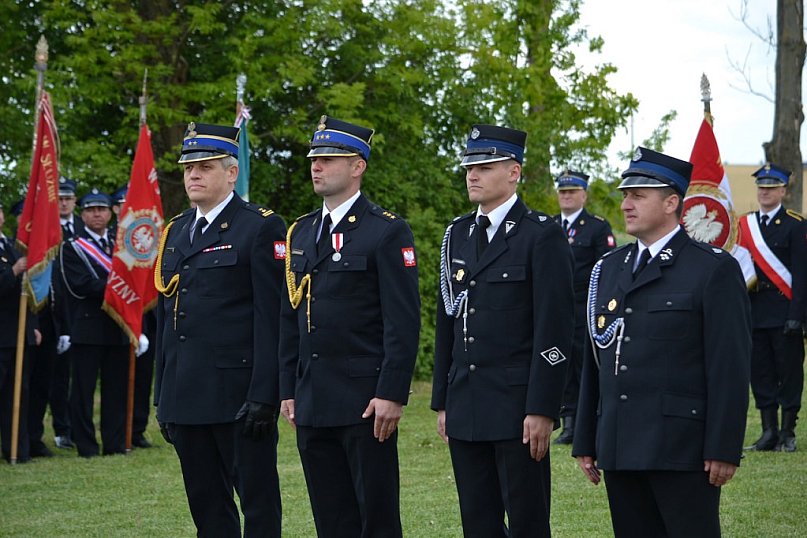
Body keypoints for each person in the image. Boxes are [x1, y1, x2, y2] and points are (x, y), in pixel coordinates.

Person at [572, 147, 752, 537]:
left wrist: (723, 447)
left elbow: (729, 367)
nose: (626, 204)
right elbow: (595, 359)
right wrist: (586, 437)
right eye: (625, 195)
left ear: (671, 203)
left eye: (638, 195)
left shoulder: (712, 269)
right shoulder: (609, 268)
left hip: (680, 447)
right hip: (620, 443)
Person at [279, 115, 420, 538]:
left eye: (328, 159)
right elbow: (291, 317)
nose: (316, 166)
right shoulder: (302, 232)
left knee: (376, 519)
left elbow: (402, 321)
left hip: (365, 402)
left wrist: (391, 392)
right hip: (313, 398)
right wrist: (288, 388)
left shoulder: (386, 231)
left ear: (358, 166)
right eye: (313, 159)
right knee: (331, 519)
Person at [431, 124, 574, 537]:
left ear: (514, 172)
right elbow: (447, 322)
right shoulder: (457, 234)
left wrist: (543, 408)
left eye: (484, 167)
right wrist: (443, 400)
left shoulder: (541, 234)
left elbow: (555, 329)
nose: (472, 175)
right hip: (466, 401)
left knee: (528, 522)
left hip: (517, 407)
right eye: (469, 167)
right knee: (478, 522)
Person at [154, 122, 285, 537]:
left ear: (231, 173)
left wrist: (265, 395)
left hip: (238, 398)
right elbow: (167, 321)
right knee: (207, 508)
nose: (193, 175)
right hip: (187, 395)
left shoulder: (259, 227)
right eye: (188, 168)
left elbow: (272, 318)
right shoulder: (176, 230)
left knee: (258, 506)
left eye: (205, 167)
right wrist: (163, 396)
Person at [739, 164, 806, 452]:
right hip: (754, 310)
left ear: (783, 191)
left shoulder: (796, 224)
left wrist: (797, 315)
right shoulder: (745, 225)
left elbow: (802, 275)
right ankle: (768, 431)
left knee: (789, 373)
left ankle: (787, 432)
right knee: (761, 372)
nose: (765, 192)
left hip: (783, 309)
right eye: (761, 187)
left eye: (771, 188)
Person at [60, 189, 129, 458]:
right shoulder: (72, 246)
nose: (96, 214)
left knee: (116, 389)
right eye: (90, 210)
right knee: (83, 391)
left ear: (111, 213)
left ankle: (114, 443)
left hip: (118, 325)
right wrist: (119, 286)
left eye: (101, 209)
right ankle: (86, 445)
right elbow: (81, 285)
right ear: (83, 214)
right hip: (88, 326)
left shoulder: (121, 244)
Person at [552, 170, 615, 445]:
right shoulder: (550, 226)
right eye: (562, 192)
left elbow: (606, 269)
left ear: (584, 195)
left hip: (584, 307)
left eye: (572, 192)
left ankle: (583, 422)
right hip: (555, 308)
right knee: (560, 363)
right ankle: (567, 422)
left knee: (582, 364)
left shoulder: (597, 227)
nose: (566, 196)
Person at [28, 177, 79, 455]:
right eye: (59, 199)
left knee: (66, 379)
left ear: (74, 201)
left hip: (73, 315)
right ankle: (36, 434)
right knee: (42, 380)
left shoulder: (81, 229)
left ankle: (65, 429)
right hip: (45, 315)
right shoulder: (42, 231)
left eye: (68, 199)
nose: (63, 203)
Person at [0, 201, 38, 463]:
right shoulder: (14, 255)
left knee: (18, 395)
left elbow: (28, 292)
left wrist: (33, 326)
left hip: (17, 334)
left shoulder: (13, 246)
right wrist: (13, 271)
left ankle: (17, 449)